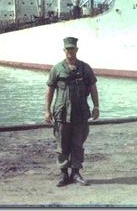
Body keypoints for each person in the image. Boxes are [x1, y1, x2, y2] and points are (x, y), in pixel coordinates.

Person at [45, 37, 100, 187]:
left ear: (77, 50)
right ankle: (64, 174)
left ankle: (76, 173)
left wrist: (96, 107)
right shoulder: (57, 69)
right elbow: (50, 90)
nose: (70, 51)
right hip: (61, 113)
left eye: (72, 48)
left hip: (80, 113)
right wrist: (47, 111)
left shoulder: (84, 68)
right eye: (67, 49)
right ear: (64, 50)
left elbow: (93, 88)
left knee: (78, 144)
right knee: (62, 144)